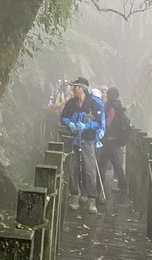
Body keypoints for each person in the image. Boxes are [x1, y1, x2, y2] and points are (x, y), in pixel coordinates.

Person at [61, 77, 104, 214]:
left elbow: (99, 123)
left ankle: (92, 199)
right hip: (73, 140)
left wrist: (86, 126)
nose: (73, 89)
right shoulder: (71, 103)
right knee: (73, 167)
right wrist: (70, 123)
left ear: (82, 88)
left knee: (89, 168)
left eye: (75, 87)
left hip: (88, 140)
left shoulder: (93, 104)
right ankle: (75, 195)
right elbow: (63, 117)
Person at [98, 87, 129, 198]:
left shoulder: (111, 107)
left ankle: (122, 186)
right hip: (114, 140)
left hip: (110, 140)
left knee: (110, 163)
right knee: (111, 163)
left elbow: (108, 123)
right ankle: (101, 185)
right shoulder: (118, 105)